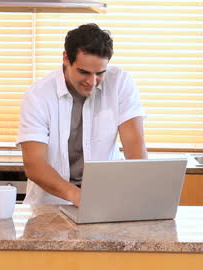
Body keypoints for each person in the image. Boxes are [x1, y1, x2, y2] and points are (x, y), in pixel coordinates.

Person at [17, 23, 147, 206]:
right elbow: (35, 164)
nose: (92, 82)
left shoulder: (120, 83)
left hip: (105, 201)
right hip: (49, 205)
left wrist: (140, 191)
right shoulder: (38, 95)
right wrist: (77, 196)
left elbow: (134, 145)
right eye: (84, 72)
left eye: (100, 73)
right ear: (66, 59)